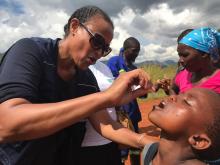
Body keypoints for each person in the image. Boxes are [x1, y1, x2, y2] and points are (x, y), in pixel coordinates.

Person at [0, 6, 152, 165]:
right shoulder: (31, 51)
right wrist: (106, 97)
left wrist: (146, 141)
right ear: (74, 27)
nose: (99, 53)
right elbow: (6, 124)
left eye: (105, 49)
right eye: (97, 41)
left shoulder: (86, 78)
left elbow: (105, 124)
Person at [78, 61, 153, 165]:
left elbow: (105, 120)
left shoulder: (104, 67)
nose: (100, 52)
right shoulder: (77, 68)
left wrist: (125, 96)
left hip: (111, 140)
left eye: (106, 48)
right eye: (97, 44)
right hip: (86, 147)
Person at [142, 88, 220, 165]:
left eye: (186, 102)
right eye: (180, 94)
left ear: (199, 141)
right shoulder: (149, 152)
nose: (173, 96)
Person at [107, 37, 145, 165]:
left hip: (132, 113)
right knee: (121, 148)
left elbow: (140, 95)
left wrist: (146, 89)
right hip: (120, 113)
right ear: (126, 49)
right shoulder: (114, 62)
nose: (136, 54)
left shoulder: (134, 68)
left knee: (136, 146)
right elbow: (113, 85)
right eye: (134, 51)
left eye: (138, 51)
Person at [156, 27, 220, 95]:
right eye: (179, 55)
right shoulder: (183, 75)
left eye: (185, 55)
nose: (180, 60)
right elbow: (173, 88)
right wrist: (174, 98)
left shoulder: (217, 80)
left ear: (203, 53)